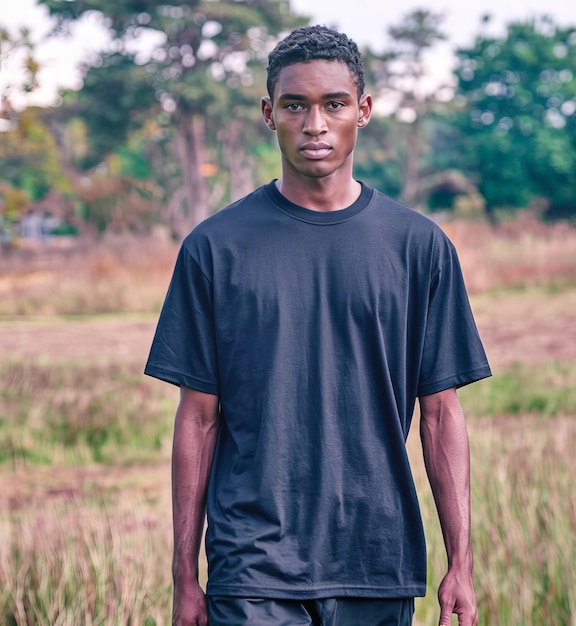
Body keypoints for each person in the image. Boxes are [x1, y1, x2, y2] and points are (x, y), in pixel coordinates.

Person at [145, 25, 491, 626]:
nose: (314, 124)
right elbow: (197, 418)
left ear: (363, 110)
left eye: (333, 104)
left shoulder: (419, 247)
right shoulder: (214, 248)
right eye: (294, 105)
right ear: (267, 113)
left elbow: (440, 414)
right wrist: (184, 576)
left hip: (376, 559)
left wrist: (461, 561)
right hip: (251, 564)